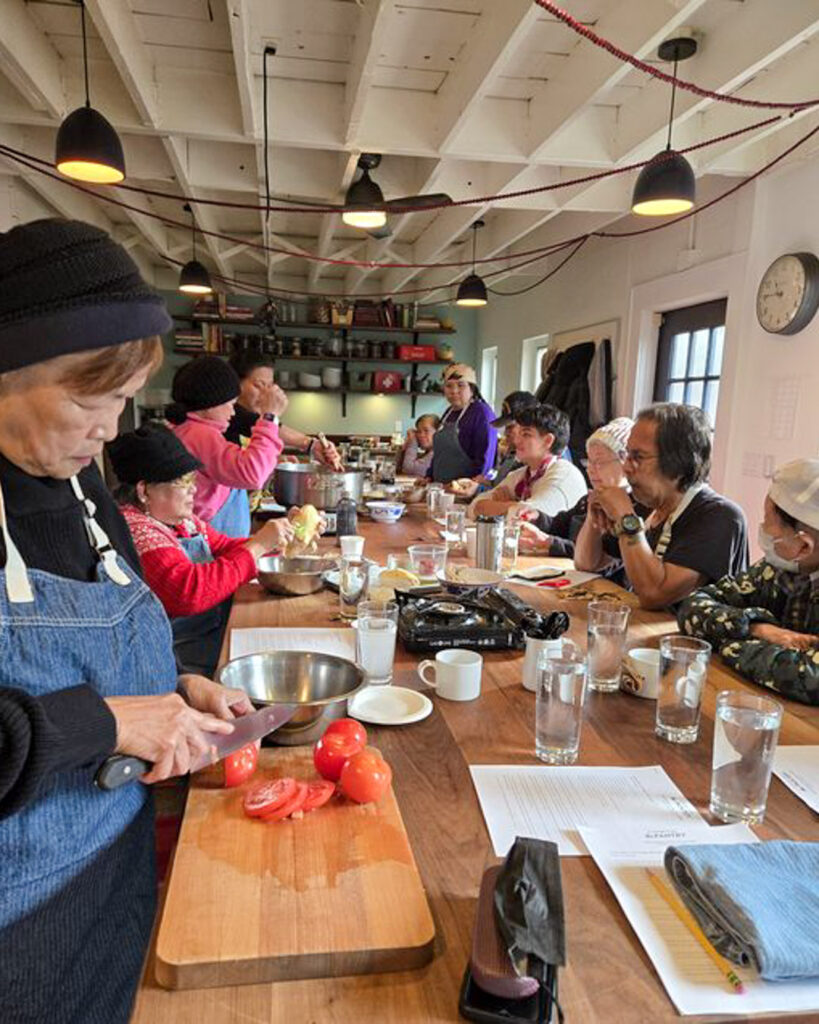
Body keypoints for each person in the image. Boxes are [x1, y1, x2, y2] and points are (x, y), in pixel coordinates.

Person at [0, 218, 252, 1024]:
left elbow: (96, 646)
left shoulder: (79, 487)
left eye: (123, 401)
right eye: (90, 398)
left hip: (115, 871)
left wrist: (172, 689)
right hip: (22, 924)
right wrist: (107, 720)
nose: (111, 429)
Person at [109, 424, 295, 678]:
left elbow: (226, 548)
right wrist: (260, 545)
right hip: (178, 664)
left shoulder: (181, 521)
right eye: (183, 481)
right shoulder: (135, 530)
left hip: (208, 640)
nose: (194, 489)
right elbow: (189, 591)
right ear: (144, 490)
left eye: (193, 479)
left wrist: (280, 539)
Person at [574, 403, 748, 610]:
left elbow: (654, 594)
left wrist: (625, 519)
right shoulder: (646, 504)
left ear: (678, 461)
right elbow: (587, 564)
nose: (627, 467)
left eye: (638, 457)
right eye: (626, 455)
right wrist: (594, 519)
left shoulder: (720, 517)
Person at [678, 459, 819, 706]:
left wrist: (730, 644)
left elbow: (809, 678)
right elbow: (692, 607)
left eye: (769, 526)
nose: (763, 529)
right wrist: (756, 628)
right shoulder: (774, 571)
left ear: (803, 546)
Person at [166, 355, 285, 538]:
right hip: (208, 551)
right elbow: (251, 474)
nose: (232, 412)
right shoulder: (199, 434)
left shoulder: (192, 431)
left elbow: (233, 470)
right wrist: (269, 418)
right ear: (209, 404)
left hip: (218, 543)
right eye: (229, 404)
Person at [519, 417, 634, 567]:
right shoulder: (588, 500)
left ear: (625, 463)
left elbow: (604, 555)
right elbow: (560, 524)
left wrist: (551, 544)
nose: (590, 469)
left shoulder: (632, 510)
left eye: (598, 462)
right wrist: (537, 517)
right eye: (589, 461)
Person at [468, 403, 587, 519]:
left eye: (526, 434)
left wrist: (505, 507)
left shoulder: (564, 475)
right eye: (518, 434)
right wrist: (512, 506)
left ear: (548, 440)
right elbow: (474, 507)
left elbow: (528, 516)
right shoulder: (522, 474)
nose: (517, 441)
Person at [225, 350, 341, 467]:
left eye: (269, 386)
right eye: (258, 385)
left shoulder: (251, 418)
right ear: (235, 383)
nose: (266, 393)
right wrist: (311, 444)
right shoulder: (228, 414)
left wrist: (276, 462)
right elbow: (259, 424)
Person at [450, 390, 537, 498]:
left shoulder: (532, 462)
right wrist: (488, 482)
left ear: (528, 427)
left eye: (510, 428)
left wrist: (478, 489)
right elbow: (500, 484)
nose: (506, 433)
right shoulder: (511, 453)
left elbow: (514, 499)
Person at [429, 363, 498, 483]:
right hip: (440, 486)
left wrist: (474, 486)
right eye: (449, 386)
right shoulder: (448, 413)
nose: (454, 391)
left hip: (465, 489)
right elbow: (440, 455)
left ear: (472, 389)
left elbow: (486, 455)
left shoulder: (482, 413)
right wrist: (428, 476)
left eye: (461, 385)